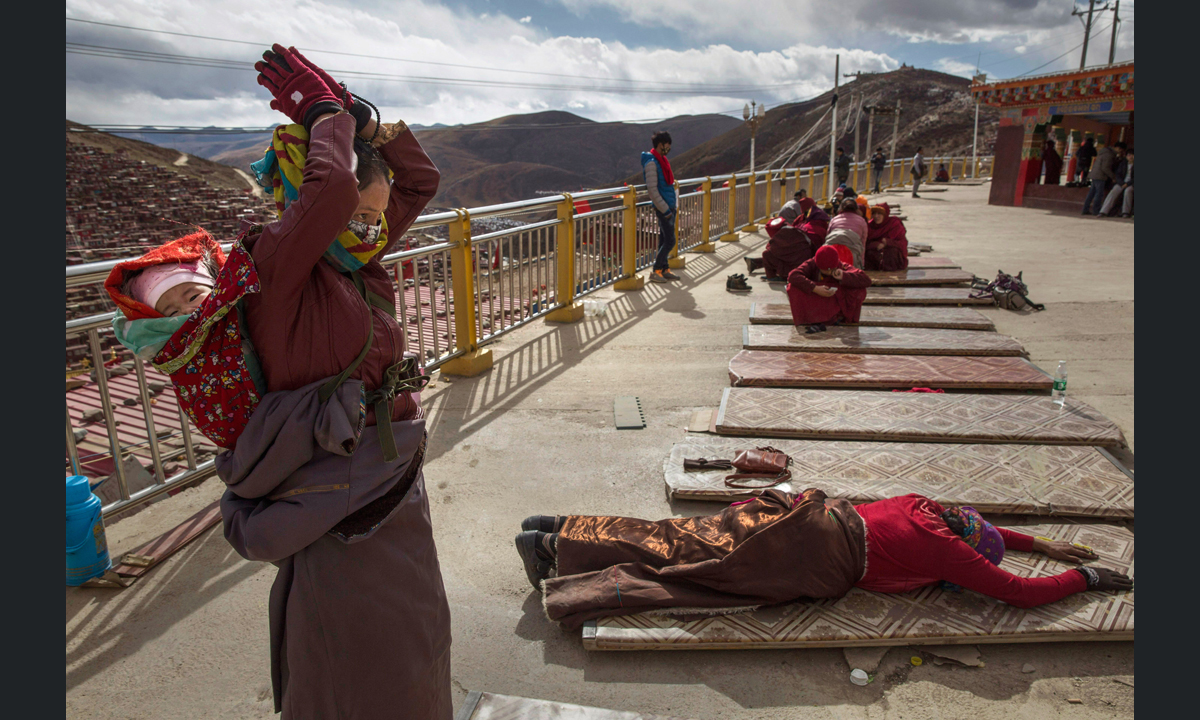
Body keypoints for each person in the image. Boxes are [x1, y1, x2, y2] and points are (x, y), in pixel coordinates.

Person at [217, 45, 452, 718]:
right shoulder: (278, 267)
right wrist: (325, 115)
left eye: (376, 217)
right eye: (359, 214)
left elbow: (420, 182)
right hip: (335, 498)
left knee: (417, 640)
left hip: (390, 480)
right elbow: (334, 193)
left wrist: (359, 114)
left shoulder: (355, 259)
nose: (371, 228)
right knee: (355, 660)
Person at [514, 492, 1132, 630]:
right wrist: (1085, 578)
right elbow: (1018, 594)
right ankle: (549, 550)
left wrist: (1039, 544)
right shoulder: (950, 554)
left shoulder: (924, 508)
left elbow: (985, 533)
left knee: (679, 535)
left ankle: (558, 527)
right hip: (809, 556)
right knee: (694, 574)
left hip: (799, 514)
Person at [785, 245, 872, 331]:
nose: (830, 272)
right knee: (793, 288)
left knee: (859, 289)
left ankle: (838, 317)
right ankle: (810, 319)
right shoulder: (812, 263)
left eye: (831, 269)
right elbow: (793, 275)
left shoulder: (841, 266)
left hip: (834, 302)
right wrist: (815, 288)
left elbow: (866, 280)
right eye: (826, 270)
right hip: (816, 300)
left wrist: (843, 276)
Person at [643, 130, 680, 283]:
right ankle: (655, 271)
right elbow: (652, 189)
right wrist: (665, 209)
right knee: (670, 241)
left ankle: (664, 270)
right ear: (660, 145)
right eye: (667, 145)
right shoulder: (652, 163)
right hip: (664, 208)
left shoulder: (662, 161)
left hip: (669, 206)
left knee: (664, 240)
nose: (668, 148)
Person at [745, 216, 816, 281]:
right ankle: (756, 263)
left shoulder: (781, 235)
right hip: (806, 265)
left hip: (796, 268)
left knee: (766, 254)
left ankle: (772, 276)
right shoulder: (794, 230)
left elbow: (771, 250)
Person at [824, 197, 870, 269]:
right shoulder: (862, 221)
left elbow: (827, 237)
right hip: (852, 257)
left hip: (833, 257)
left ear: (841, 208)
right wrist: (861, 266)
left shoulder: (834, 220)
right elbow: (863, 245)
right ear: (856, 209)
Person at [865, 203, 908, 271]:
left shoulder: (894, 224)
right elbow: (864, 243)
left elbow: (903, 244)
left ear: (885, 215)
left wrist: (888, 243)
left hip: (893, 262)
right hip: (875, 263)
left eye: (879, 214)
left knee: (892, 251)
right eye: (874, 213)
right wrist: (875, 245)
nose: (876, 216)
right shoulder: (869, 226)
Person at [1082, 139, 1118, 216]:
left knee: (1091, 193)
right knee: (1099, 194)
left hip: (1095, 174)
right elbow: (1105, 168)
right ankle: (1096, 210)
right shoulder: (1109, 155)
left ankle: (1085, 209)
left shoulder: (1103, 152)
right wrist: (1113, 176)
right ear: (1117, 148)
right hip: (1100, 176)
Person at [1099, 148, 1134, 218]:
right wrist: (1122, 183)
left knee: (1128, 191)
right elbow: (1118, 175)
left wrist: (1127, 184)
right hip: (1122, 183)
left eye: (1132, 155)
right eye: (1129, 155)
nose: (1130, 157)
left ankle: (1125, 212)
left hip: (1131, 184)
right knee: (1114, 191)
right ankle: (1103, 211)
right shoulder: (1123, 164)